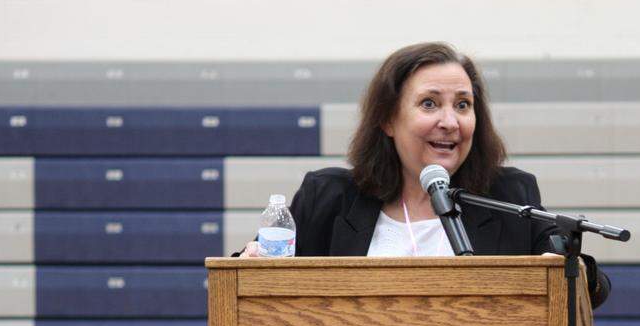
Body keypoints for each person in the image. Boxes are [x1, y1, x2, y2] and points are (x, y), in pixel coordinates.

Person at [242, 41, 605, 303]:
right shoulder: (330, 196)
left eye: (463, 105)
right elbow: (249, 286)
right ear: (387, 119)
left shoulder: (509, 195)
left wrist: (574, 270)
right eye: (429, 104)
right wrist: (251, 261)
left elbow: (592, 287)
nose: (450, 122)